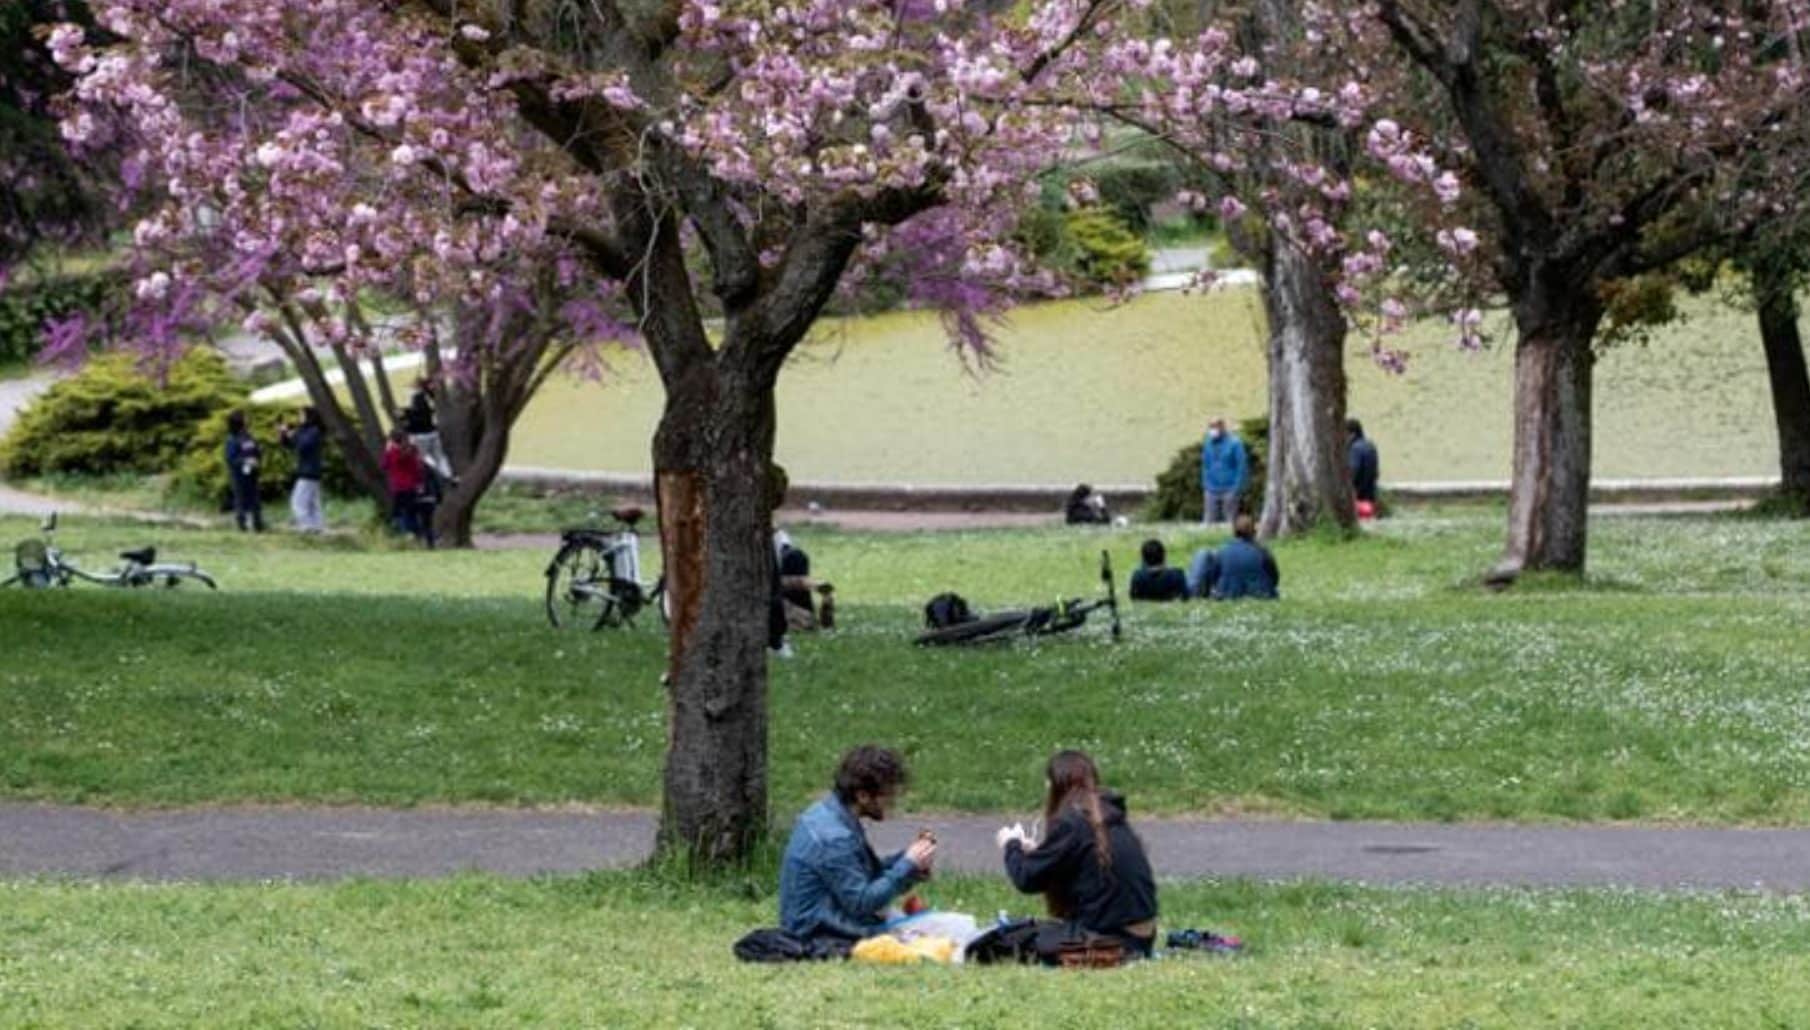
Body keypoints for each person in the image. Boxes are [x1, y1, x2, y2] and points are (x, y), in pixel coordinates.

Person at [996, 750, 1159, 959]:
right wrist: (1040, 853)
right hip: (1142, 939)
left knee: (1009, 939)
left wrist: (1011, 844)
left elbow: (1026, 878)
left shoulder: (1072, 822)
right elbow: (1082, 867)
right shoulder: (1110, 818)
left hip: (1110, 941)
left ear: (1054, 786)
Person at [779, 745, 937, 946]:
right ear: (863, 796)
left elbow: (861, 876)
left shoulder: (830, 814)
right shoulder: (835, 838)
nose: (892, 804)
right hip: (819, 933)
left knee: (930, 924)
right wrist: (906, 864)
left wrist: (910, 865)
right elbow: (862, 903)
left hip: (828, 921)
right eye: (887, 797)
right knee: (944, 928)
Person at [380, 428, 434, 547]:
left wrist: (387, 449)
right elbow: (418, 468)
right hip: (412, 487)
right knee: (412, 512)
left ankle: (412, 533)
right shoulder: (412, 451)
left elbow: (384, 466)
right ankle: (419, 534)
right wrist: (420, 483)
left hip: (399, 488)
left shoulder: (391, 453)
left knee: (399, 514)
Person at [278, 406, 326, 534]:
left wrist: (293, 434)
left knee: (297, 502)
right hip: (308, 471)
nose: (299, 418)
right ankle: (317, 527)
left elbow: (303, 446)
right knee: (312, 502)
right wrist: (283, 433)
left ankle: (307, 526)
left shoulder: (314, 431)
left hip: (309, 471)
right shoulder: (303, 430)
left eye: (302, 415)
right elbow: (288, 444)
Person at [400, 378, 457, 485]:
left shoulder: (417, 398)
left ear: (417, 388)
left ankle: (439, 475)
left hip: (421, 435)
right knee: (440, 456)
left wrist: (404, 416)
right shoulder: (429, 397)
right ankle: (449, 475)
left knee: (425, 457)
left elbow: (417, 417)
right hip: (432, 432)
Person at [1211, 513, 1279, 600]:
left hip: (1228, 594)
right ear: (1254, 532)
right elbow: (1274, 577)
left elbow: (1214, 577)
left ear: (1234, 531)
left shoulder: (1222, 552)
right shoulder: (1262, 552)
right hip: (1262, 594)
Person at [1199, 417, 1249, 525]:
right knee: (1208, 521)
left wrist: (1237, 487)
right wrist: (1205, 484)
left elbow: (1242, 466)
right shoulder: (1208, 442)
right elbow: (1205, 464)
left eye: (1215, 427)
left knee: (1230, 521)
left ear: (1222, 427)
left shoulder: (1235, 443)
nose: (1213, 430)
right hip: (1211, 489)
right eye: (1211, 427)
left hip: (1230, 489)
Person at [223, 410, 265, 533]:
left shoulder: (248, 436)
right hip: (239, 475)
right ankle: (242, 526)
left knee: (255, 499)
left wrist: (257, 457)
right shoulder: (231, 439)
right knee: (240, 499)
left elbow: (255, 451)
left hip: (252, 473)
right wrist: (246, 461)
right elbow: (231, 459)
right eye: (245, 418)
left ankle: (258, 525)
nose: (247, 420)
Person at [1348, 417, 1380, 518]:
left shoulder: (1355, 449)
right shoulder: (1370, 445)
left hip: (1359, 498)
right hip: (1371, 496)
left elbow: (1353, 472)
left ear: (1351, 434)